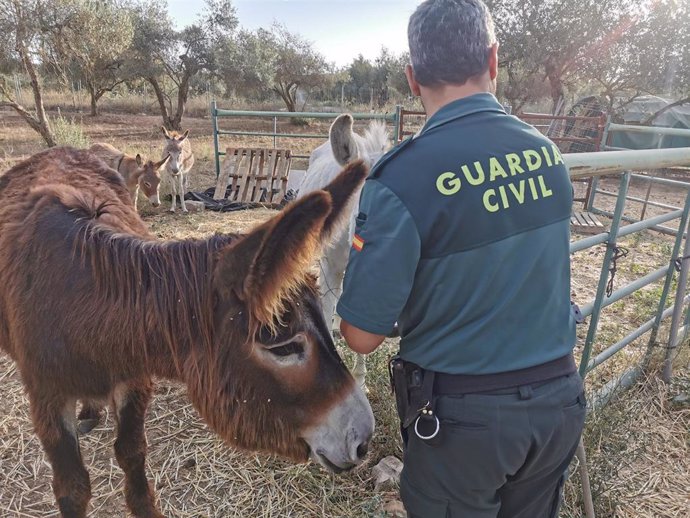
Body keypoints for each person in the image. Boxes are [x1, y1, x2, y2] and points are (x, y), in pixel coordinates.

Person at [336, 1, 586, 517]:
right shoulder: (547, 156)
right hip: (558, 404)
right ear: (493, 60)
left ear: (411, 78)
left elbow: (362, 336)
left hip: (464, 429)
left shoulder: (401, 179)